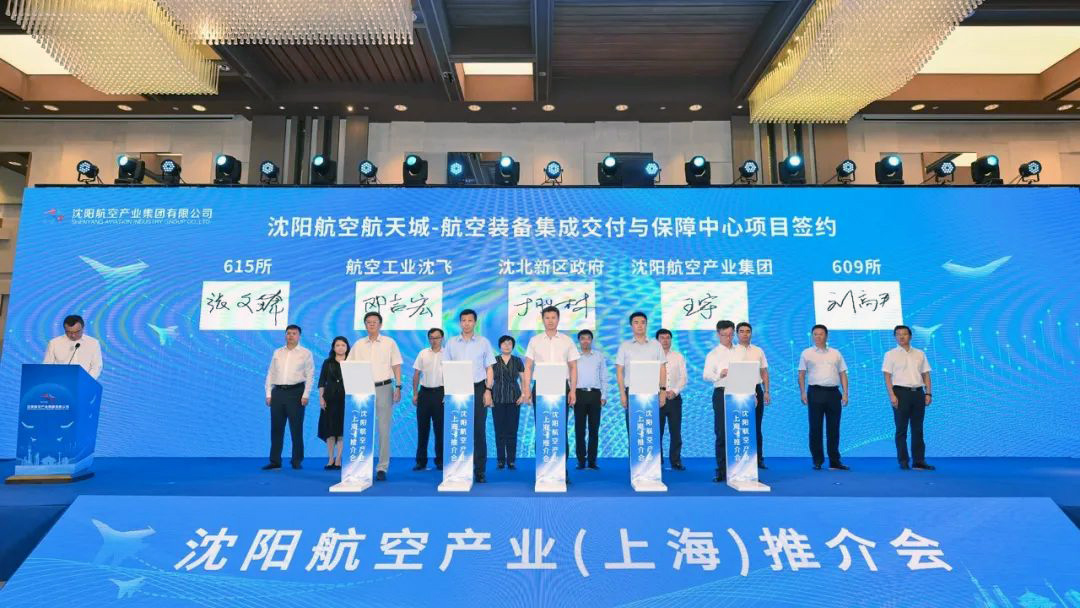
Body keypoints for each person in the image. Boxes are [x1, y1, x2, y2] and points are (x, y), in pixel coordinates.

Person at [520, 306, 580, 478]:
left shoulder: (567, 341)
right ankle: (543, 468)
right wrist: (526, 389)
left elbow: (573, 367)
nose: (551, 321)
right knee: (542, 427)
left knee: (560, 428)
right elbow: (528, 366)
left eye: (554, 317)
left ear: (558, 319)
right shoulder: (535, 340)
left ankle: (562, 469)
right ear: (543, 320)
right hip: (541, 386)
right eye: (547, 318)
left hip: (562, 386)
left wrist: (573, 390)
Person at [347, 311, 403, 481]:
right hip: (362, 389)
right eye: (368, 322)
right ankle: (360, 465)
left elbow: (396, 365)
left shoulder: (389, 342)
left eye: (374, 322)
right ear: (365, 325)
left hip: (383, 387)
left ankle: (382, 467)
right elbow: (350, 366)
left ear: (380, 324)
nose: (371, 324)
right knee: (361, 427)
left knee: (383, 429)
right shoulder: (358, 344)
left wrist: (398, 386)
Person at [443, 309, 495, 483]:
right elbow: (446, 368)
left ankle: (479, 470)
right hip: (457, 389)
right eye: (463, 320)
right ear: (460, 323)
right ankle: (457, 468)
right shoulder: (451, 343)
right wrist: (447, 392)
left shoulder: (483, 342)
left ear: (475, 322)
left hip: (478, 387)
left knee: (478, 430)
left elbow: (489, 368)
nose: (466, 323)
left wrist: (488, 390)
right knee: (457, 429)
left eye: (470, 320)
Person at [797, 324, 850, 471]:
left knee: (834, 428)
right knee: (815, 428)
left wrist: (845, 393)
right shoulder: (806, 353)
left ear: (826, 336)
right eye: (815, 334)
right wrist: (802, 392)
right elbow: (801, 374)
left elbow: (843, 373)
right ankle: (817, 460)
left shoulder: (836, 353)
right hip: (815, 392)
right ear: (812, 336)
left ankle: (835, 461)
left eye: (821, 334)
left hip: (834, 393)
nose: (818, 337)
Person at [882, 325, 934, 471]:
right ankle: (903, 460)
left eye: (904, 334)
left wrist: (928, 393)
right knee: (901, 429)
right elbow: (887, 376)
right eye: (898, 334)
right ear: (895, 337)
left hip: (918, 393)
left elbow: (926, 374)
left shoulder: (919, 353)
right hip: (900, 393)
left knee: (918, 429)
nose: (901, 336)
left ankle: (919, 461)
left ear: (910, 336)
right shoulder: (890, 354)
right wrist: (892, 395)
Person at [263, 324, 314, 471]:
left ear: (299, 336)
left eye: (294, 333)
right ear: (285, 335)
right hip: (278, 393)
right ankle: (275, 461)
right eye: (288, 333)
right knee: (276, 428)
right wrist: (268, 394)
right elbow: (271, 373)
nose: (291, 336)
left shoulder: (305, 353)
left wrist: (306, 394)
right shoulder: (277, 352)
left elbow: (310, 375)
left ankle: (296, 460)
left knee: (296, 428)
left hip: (296, 393)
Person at [614, 311, 667, 441]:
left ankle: (654, 454)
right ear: (631, 325)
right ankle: (635, 455)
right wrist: (622, 393)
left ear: (646, 325)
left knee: (653, 430)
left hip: (652, 392)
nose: (640, 325)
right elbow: (619, 371)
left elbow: (662, 368)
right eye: (636, 323)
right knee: (634, 431)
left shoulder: (656, 345)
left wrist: (662, 391)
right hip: (632, 392)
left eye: (643, 323)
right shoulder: (624, 346)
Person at [702, 320, 737, 482]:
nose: (728, 338)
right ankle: (722, 470)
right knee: (722, 432)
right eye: (724, 335)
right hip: (722, 393)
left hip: (741, 394)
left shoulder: (740, 351)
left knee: (739, 431)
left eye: (730, 334)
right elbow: (706, 375)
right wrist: (719, 374)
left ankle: (741, 468)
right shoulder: (713, 354)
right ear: (718, 334)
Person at [735, 322, 771, 469]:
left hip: (756, 389)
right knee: (739, 426)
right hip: (738, 389)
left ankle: (758, 459)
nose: (745, 334)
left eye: (747, 331)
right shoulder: (732, 351)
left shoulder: (758, 351)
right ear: (737, 334)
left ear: (751, 333)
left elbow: (764, 372)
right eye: (741, 331)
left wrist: (766, 391)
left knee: (756, 426)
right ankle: (739, 458)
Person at [412, 328, 445, 471]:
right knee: (422, 428)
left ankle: (440, 461)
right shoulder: (423, 353)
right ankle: (421, 461)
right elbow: (416, 375)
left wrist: (449, 394)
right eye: (431, 337)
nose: (434, 340)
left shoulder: (448, 354)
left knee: (440, 430)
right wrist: (415, 394)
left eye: (437, 337)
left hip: (441, 394)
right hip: (424, 393)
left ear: (442, 338)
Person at [574, 329, 607, 470]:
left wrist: (604, 395)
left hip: (595, 395)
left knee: (594, 429)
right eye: (582, 338)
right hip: (579, 395)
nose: (585, 341)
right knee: (579, 430)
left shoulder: (599, 356)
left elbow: (604, 376)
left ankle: (592, 461)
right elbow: (569, 376)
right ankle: (581, 461)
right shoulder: (574, 356)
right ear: (579, 341)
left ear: (591, 340)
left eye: (588, 338)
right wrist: (571, 394)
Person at [491, 335, 525, 470]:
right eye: (504, 343)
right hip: (497, 398)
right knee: (499, 431)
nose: (506, 346)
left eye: (509, 343)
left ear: (513, 346)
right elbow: (489, 379)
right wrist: (488, 395)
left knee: (512, 430)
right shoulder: (493, 360)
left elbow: (523, 379)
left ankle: (511, 460)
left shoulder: (517, 361)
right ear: (499, 346)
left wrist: (523, 395)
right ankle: (500, 460)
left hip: (514, 398)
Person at [656, 328, 686, 471]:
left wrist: (674, 391)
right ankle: (657, 461)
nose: (665, 340)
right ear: (657, 340)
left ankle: (676, 461)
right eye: (662, 338)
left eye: (668, 338)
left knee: (675, 432)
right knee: (657, 431)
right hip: (657, 399)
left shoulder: (678, 356)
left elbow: (683, 377)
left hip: (674, 399)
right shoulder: (652, 357)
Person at [317, 336, 350, 470]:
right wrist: (321, 398)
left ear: (347, 347)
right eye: (337, 345)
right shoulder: (327, 362)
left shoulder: (352, 361)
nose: (340, 348)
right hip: (329, 399)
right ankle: (330, 458)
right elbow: (321, 382)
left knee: (342, 431)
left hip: (346, 400)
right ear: (333, 347)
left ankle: (338, 459)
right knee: (330, 431)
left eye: (343, 345)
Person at [43, 314, 102, 379]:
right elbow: (47, 366)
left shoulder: (93, 343)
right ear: (64, 329)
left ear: (83, 328)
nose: (73, 335)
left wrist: (86, 380)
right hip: (60, 381)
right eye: (69, 332)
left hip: (85, 381)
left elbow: (96, 366)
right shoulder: (54, 343)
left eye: (77, 332)